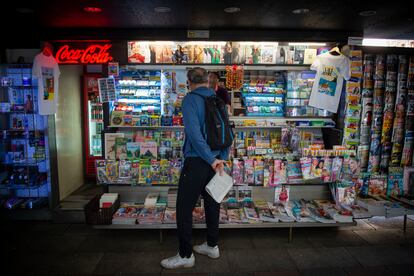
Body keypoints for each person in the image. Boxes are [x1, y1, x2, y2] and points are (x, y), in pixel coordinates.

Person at [161, 67, 230, 269]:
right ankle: (212, 245)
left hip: (198, 162)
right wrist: (220, 159)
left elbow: (194, 135)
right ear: (208, 80)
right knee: (212, 204)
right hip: (216, 161)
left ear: (189, 81)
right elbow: (227, 132)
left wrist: (209, 159)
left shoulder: (190, 99)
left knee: (183, 209)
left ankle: (185, 255)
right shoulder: (218, 99)